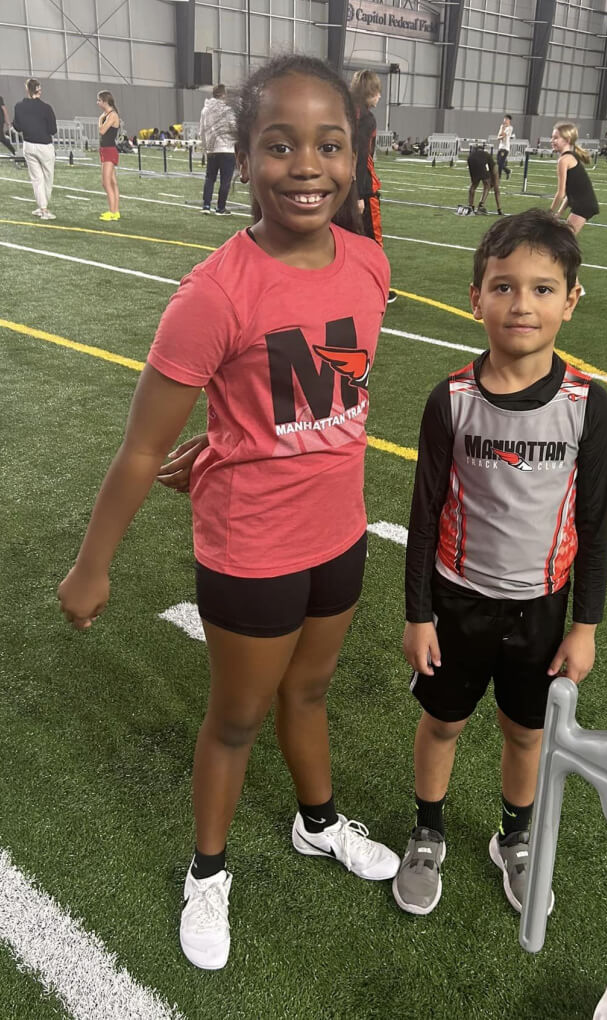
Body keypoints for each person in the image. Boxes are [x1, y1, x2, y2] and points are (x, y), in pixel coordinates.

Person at [57, 53, 398, 972]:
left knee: (312, 691)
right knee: (236, 719)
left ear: (353, 152)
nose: (306, 166)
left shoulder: (369, 263)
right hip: (251, 550)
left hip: (340, 534)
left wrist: (229, 441)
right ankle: (208, 871)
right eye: (279, 145)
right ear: (243, 157)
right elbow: (138, 447)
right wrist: (94, 563)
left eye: (329, 145)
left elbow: (321, 391)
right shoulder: (214, 293)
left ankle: (316, 823)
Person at [390, 208, 607, 917]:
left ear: (572, 301)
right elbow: (424, 515)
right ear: (475, 296)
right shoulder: (451, 400)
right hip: (458, 602)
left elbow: (594, 522)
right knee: (444, 724)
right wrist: (418, 614)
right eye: (504, 287)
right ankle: (428, 833)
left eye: (544, 289)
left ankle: (512, 839)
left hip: (542, 609)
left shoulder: (588, 405)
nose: (523, 304)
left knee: (526, 731)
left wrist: (585, 625)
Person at [351, 69, 397, 304]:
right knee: (373, 241)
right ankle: (378, 288)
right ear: (370, 92)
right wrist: (358, 193)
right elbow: (359, 157)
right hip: (364, 189)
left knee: (350, 239)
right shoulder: (365, 118)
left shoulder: (348, 113)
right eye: (377, 92)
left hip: (347, 185)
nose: (380, 97)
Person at [549, 120, 599, 294]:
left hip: (584, 205)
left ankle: (575, 286)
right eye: (552, 137)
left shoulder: (564, 160)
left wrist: (549, 212)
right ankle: (575, 285)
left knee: (564, 245)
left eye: (556, 138)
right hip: (581, 204)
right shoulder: (570, 157)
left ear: (567, 139)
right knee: (564, 244)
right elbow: (569, 194)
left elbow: (560, 193)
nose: (552, 140)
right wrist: (558, 215)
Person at [13, 78, 57, 220]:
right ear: (39, 90)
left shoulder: (19, 106)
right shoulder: (47, 108)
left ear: (27, 89)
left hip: (28, 145)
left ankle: (42, 208)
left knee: (36, 179)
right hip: (44, 146)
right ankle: (44, 208)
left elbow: (17, 127)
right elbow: (52, 130)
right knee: (47, 178)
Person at [199, 83, 236, 215]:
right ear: (223, 94)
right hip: (227, 149)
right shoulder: (227, 110)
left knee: (210, 178)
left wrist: (205, 148)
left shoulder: (205, 110)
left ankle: (206, 205)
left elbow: (201, 131)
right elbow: (234, 127)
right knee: (225, 181)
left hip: (212, 149)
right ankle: (220, 208)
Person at [97, 91, 120, 221]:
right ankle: (115, 211)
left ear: (105, 101)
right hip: (106, 150)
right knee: (112, 182)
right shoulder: (108, 114)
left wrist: (100, 120)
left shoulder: (112, 115)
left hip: (109, 151)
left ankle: (112, 212)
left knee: (106, 183)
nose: (97, 103)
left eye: (99, 100)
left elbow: (102, 130)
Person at [465, 145, 502, 215]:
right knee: (486, 185)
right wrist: (499, 209)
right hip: (480, 162)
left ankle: (470, 206)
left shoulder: (482, 155)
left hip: (470, 159)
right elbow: (496, 190)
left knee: (474, 184)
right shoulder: (493, 165)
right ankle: (481, 206)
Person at [496, 114, 513, 180]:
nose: (504, 120)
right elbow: (498, 136)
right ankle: (508, 171)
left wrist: (502, 131)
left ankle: (498, 178)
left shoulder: (510, 128)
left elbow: (503, 135)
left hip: (505, 148)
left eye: (506, 119)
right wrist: (502, 133)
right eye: (504, 119)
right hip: (500, 147)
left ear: (509, 120)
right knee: (498, 163)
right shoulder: (502, 126)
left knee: (500, 163)